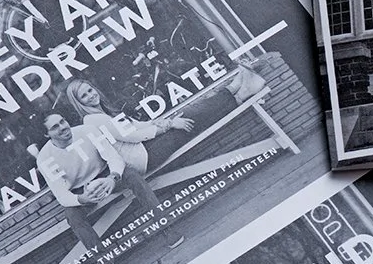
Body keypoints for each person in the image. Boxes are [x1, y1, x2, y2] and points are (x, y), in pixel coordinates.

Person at [35, 113, 183, 264]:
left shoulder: (87, 131)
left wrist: (113, 178)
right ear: (47, 135)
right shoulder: (45, 158)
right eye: (55, 127)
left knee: (132, 176)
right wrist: (81, 199)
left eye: (63, 121)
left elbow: (114, 158)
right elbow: (62, 195)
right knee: (73, 217)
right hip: (80, 190)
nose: (62, 127)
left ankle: (167, 228)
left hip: (106, 174)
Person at [63, 57, 265, 175]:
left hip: (146, 149)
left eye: (90, 90)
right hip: (145, 157)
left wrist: (159, 122)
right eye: (84, 96)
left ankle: (241, 92)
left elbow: (136, 126)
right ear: (79, 103)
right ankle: (236, 88)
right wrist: (169, 125)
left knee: (188, 116)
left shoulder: (103, 112)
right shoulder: (92, 119)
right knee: (190, 117)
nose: (91, 96)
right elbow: (131, 136)